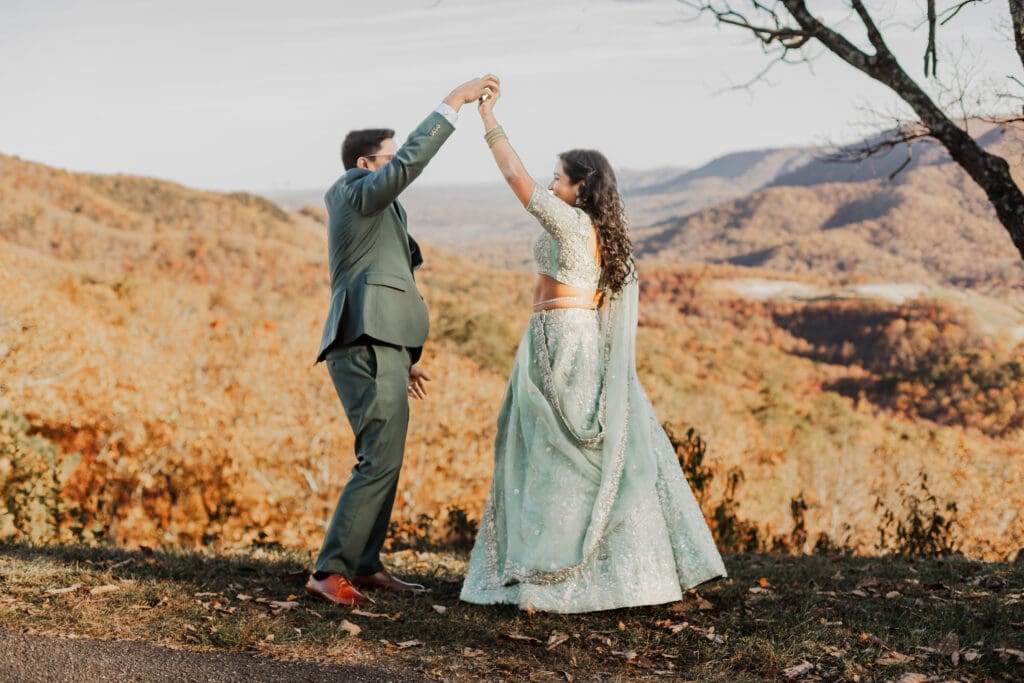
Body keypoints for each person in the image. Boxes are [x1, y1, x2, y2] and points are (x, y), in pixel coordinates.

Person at [459, 88, 727, 613]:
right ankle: (584, 565)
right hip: (561, 336)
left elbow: (516, 180)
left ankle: (563, 572)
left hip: (563, 339)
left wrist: (489, 120)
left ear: (582, 188)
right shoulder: (599, 229)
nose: (551, 182)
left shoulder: (572, 221)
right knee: (562, 449)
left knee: (560, 453)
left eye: (559, 177)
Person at [307, 75, 500, 607]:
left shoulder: (375, 206)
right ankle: (330, 571)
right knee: (376, 458)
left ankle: (363, 565)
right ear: (366, 163)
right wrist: (453, 104)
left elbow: (385, 272)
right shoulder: (351, 190)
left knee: (387, 456)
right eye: (387, 158)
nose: (395, 165)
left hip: (381, 344)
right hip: (364, 342)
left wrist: (402, 355)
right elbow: (409, 163)